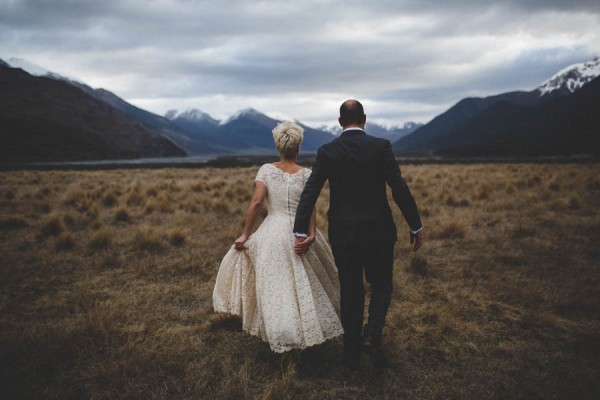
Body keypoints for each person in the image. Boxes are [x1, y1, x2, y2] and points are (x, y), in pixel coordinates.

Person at [293, 99, 423, 369]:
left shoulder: (328, 151)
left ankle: (350, 354)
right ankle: (372, 336)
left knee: (351, 290)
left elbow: (311, 191)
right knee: (382, 285)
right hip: (379, 231)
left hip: (344, 233)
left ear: (340, 122)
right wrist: (415, 224)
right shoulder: (381, 147)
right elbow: (398, 186)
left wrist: (298, 229)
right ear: (364, 119)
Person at [213, 121, 343, 353]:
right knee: (302, 283)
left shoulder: (266, 170)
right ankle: (304, 332)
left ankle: (282, 331)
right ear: (298, 147)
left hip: (272, 231)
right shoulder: (306, 174)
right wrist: (311, 233)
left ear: (278, 147)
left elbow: (256, 202)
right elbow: (310, 205)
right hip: (300, 232)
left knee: (277, 284)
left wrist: (245, 234)